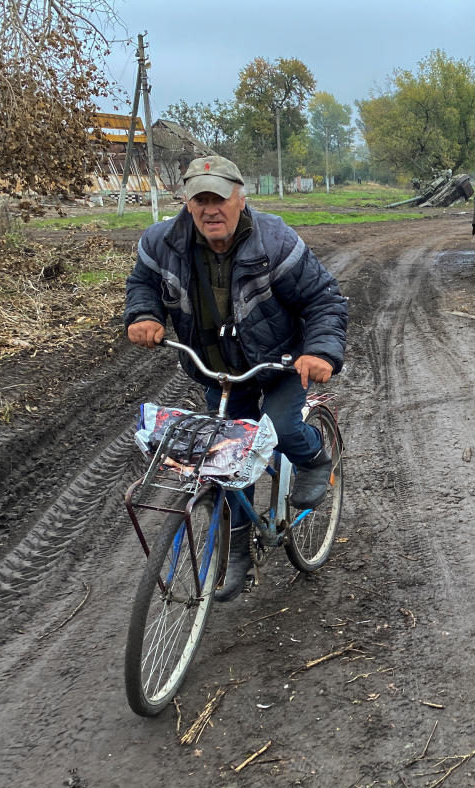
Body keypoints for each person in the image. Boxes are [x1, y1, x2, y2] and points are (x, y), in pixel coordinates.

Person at [125, 155, 348, 601]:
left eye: (220, 198)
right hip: (222, 369)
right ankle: (240, 552)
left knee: (282, 426)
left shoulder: (276, 241)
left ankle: (314, 461)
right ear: (186, 202)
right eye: (200, 198)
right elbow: (143, 283)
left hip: (281, 361)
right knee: (227, 462)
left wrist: (320, 351)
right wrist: (144, 314)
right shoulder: (161, 242)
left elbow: (324, 299)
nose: (211, 209)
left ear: (240, 198)